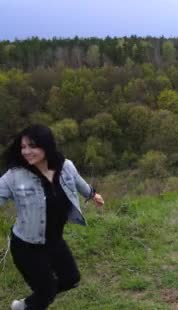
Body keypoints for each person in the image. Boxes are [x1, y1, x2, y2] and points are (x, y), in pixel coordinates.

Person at [0, 124, 104, 310]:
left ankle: (30, 303)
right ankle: (31, 303)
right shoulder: (14, 176)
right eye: (23, 147)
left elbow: (80, 184)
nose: (26, 152)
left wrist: (92, 195)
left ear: (46, 145)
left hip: (54, 241)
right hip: (27, 246)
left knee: (71, 279)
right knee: (46, 292)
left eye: (32, 146)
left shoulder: (66, 167)